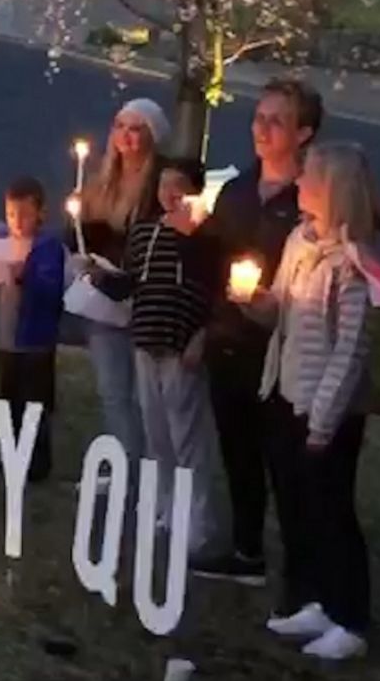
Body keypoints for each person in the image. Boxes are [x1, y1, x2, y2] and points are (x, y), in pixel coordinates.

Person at [240, 141, 380, 662]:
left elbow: (350, 348)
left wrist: (324, 419)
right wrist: (258, 304)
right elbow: (281, 307)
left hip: (328, 410)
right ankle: (317, 599)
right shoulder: (299, 241)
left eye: (308, 177)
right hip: (285, 390)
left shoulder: (353, 264)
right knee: (298, 505)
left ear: (332, 189)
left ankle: (351, 615)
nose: (297, 182)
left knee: (332, 509)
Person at [191, 77, 323, 586]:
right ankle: (247, 551)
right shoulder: (238, 190)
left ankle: (304, 574)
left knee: (285, 465)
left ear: (304, 133)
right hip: (230, 342)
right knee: (238, 453)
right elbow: (214, 263)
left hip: (280, 353)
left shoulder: (311, 198)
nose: (261, 129)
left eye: (276, 121)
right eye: (258, 118)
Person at [88, 157, 219, 554]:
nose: (170, 194)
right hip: (145, 337)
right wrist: (96, 276)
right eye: (163, 186)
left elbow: (213, 288)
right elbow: (130, 283)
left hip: (181, 341)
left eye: (179, 186)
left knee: (187, 435)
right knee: (156, 430)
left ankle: (198, 520)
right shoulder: (143, 231)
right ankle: (165, 506)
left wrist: (203, 336)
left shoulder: (203, 236)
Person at [68, 98, 170, 465]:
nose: (125, 136)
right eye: (120, 126)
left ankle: (152, 470)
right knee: (112, 390)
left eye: (136, 128)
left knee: (148, 396)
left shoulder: (158, 188)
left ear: (153, 136)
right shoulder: (101, 183)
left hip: (140, 300)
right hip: (102, 299)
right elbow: (81, 236)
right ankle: (124, 462)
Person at [0, 177, 66, 483]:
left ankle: (38, 464)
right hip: (7, 338)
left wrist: (25, 276)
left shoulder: (47, 248)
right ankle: (9, 456)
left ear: (40, 213)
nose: (17, 222)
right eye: (11, 214)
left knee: (36, 404)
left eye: (25, 214)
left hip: (35, 340)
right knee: (8, 399)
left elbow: (51, 291)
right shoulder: (2, 239)